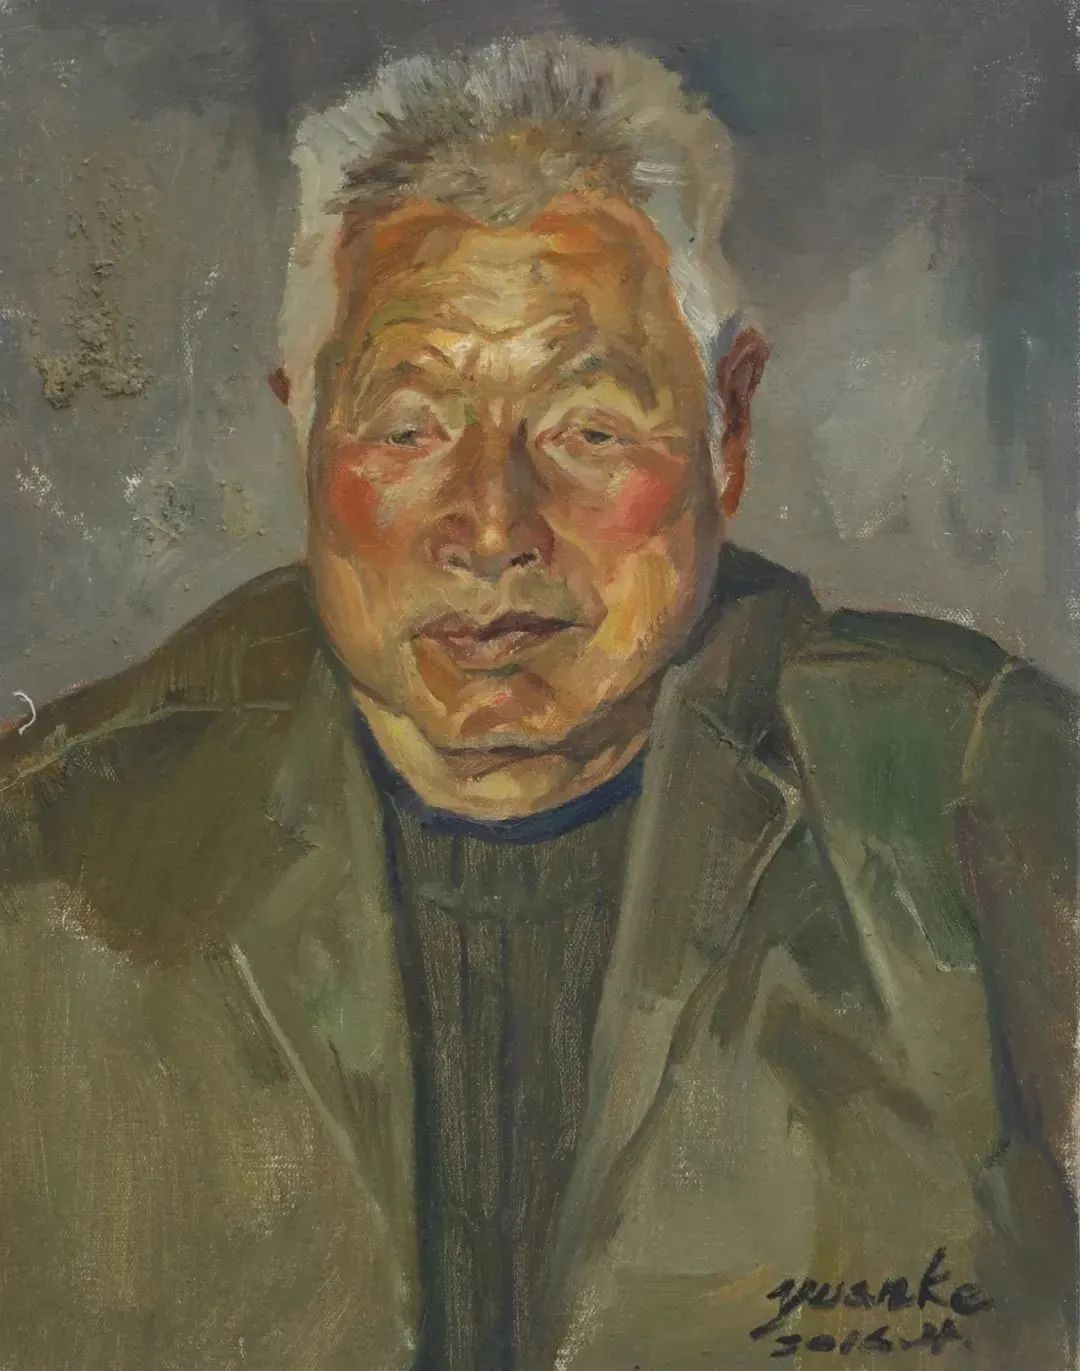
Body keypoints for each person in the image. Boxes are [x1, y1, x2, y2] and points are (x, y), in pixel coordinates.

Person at [0, 34, 1075, 1371]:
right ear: (305, 431)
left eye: (588, 429)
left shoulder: (981, 802)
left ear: (728, 431)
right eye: (409, 427)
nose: (493, 528)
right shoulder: (50, 857)